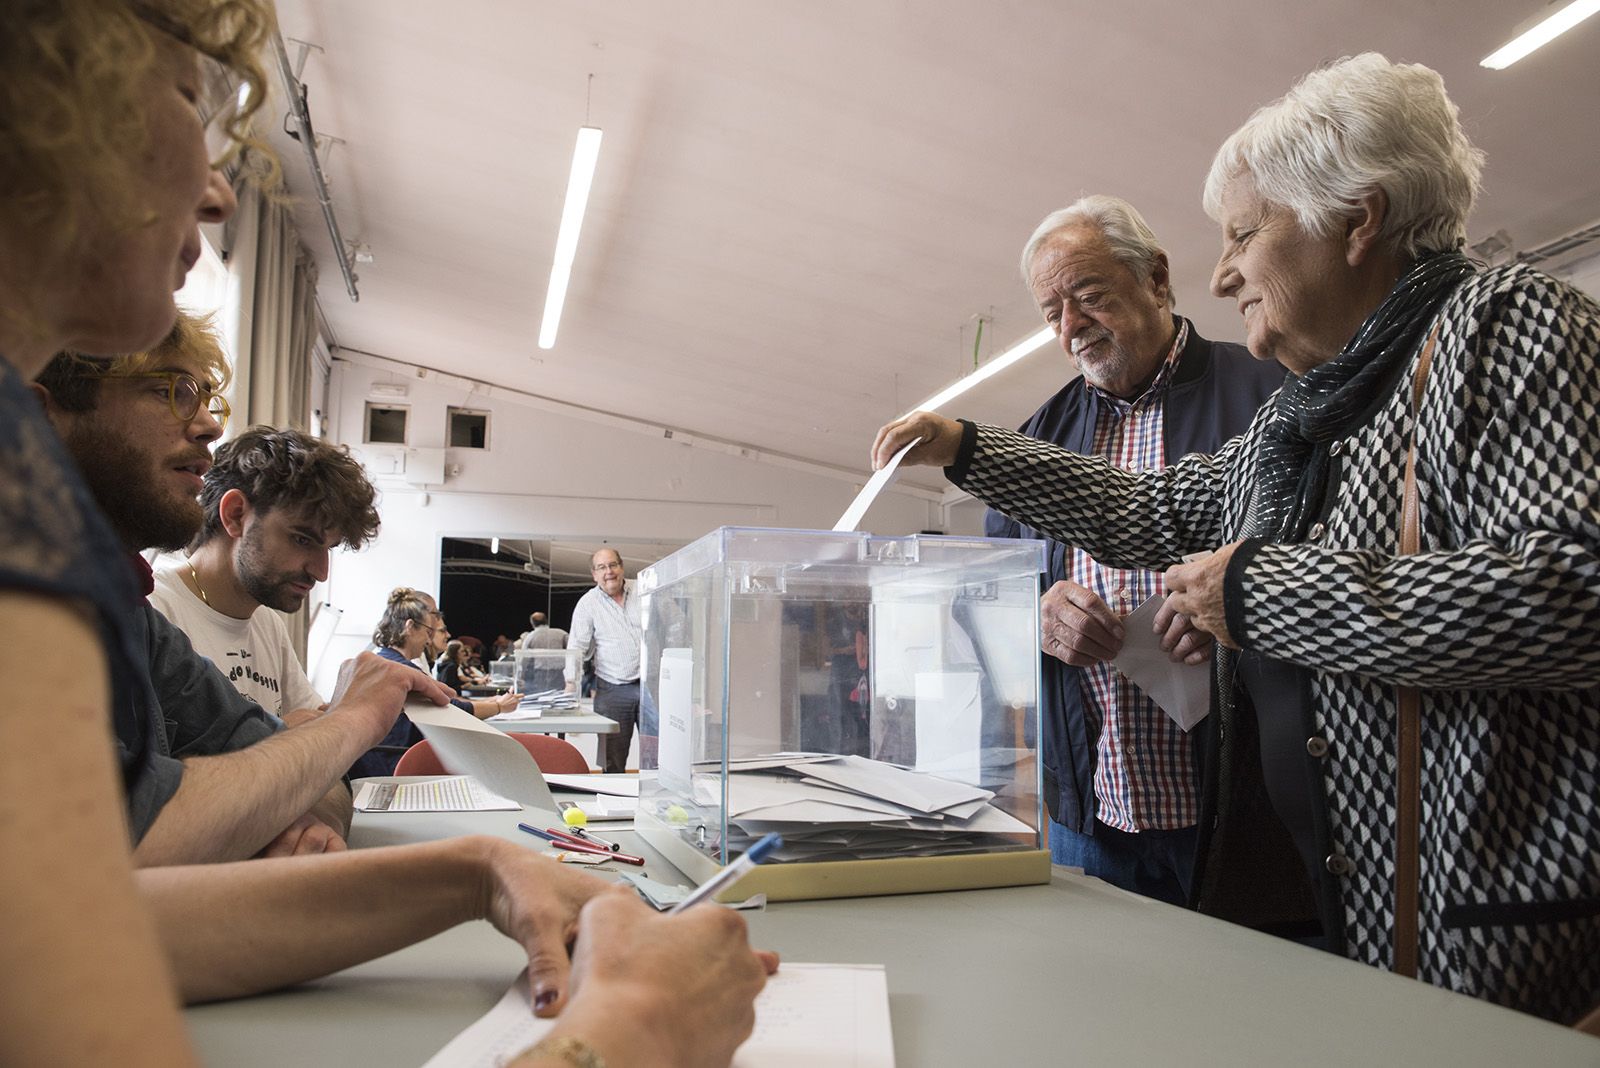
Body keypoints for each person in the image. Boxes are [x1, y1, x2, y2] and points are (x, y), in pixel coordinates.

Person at [0, 4, 771, 1063]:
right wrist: (635, 1033)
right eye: (189, 99)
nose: (219, 187)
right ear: (49, 98)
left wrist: (468, 875)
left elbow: (89, 921)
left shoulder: (78, 553)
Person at [874, 53, 1600, 1023]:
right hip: (1364, 919)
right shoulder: (1311, 409)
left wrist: (1262, 596)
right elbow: (1151, 512)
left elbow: (1575, 589)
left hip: (1502, 948)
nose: (1222, 273)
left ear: (1358, 217)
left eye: (1244, 234)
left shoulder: (1507, 327)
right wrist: (968, 450)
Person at [987, 196, 1284, 903]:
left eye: (1089, 298)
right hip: (1095, 816)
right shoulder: (1034, 443)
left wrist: (1241, 608)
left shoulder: (1271, 394)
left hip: (1250, 808)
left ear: (1155, 278)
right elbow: (990, 605)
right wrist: (1038, 618)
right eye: (1051, 314)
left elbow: (1331, 564)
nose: (1070, 330)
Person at [35, 336, 359, 860]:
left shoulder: (130, 612)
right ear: (36, 420)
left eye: (206, 397)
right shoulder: (44, 613)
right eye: (170, 390)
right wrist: (353, 718)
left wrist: (296, 787)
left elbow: (314, 778)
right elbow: (116, 838)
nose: (210, 425)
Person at [148, 411, 378, 724]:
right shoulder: (155, 611)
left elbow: (310, 725)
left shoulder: (266, 623)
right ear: (235, 514)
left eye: (328, 549)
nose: (320, 573)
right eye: (301, 540)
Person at [351, 587, 522, 777]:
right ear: (409, 627)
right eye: (427, 631)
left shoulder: (382, 660)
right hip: (392, 767)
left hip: (376, 762)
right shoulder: (402, 671)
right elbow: (451, 710)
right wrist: (499, 706)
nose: (429, 638)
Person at [567, 548, 642, 773]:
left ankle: (658, 804)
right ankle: (613, 803)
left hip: (652, 685)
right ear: (594, 575)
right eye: (602, 567)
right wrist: (571, 683)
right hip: (612, 688)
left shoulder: (644, 589)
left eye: (613, 565)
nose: (609, 572)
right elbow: (577, 647)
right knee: (613, 757)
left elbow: (672, 625)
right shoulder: (587, 603)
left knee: (658, 751)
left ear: (622, 567)